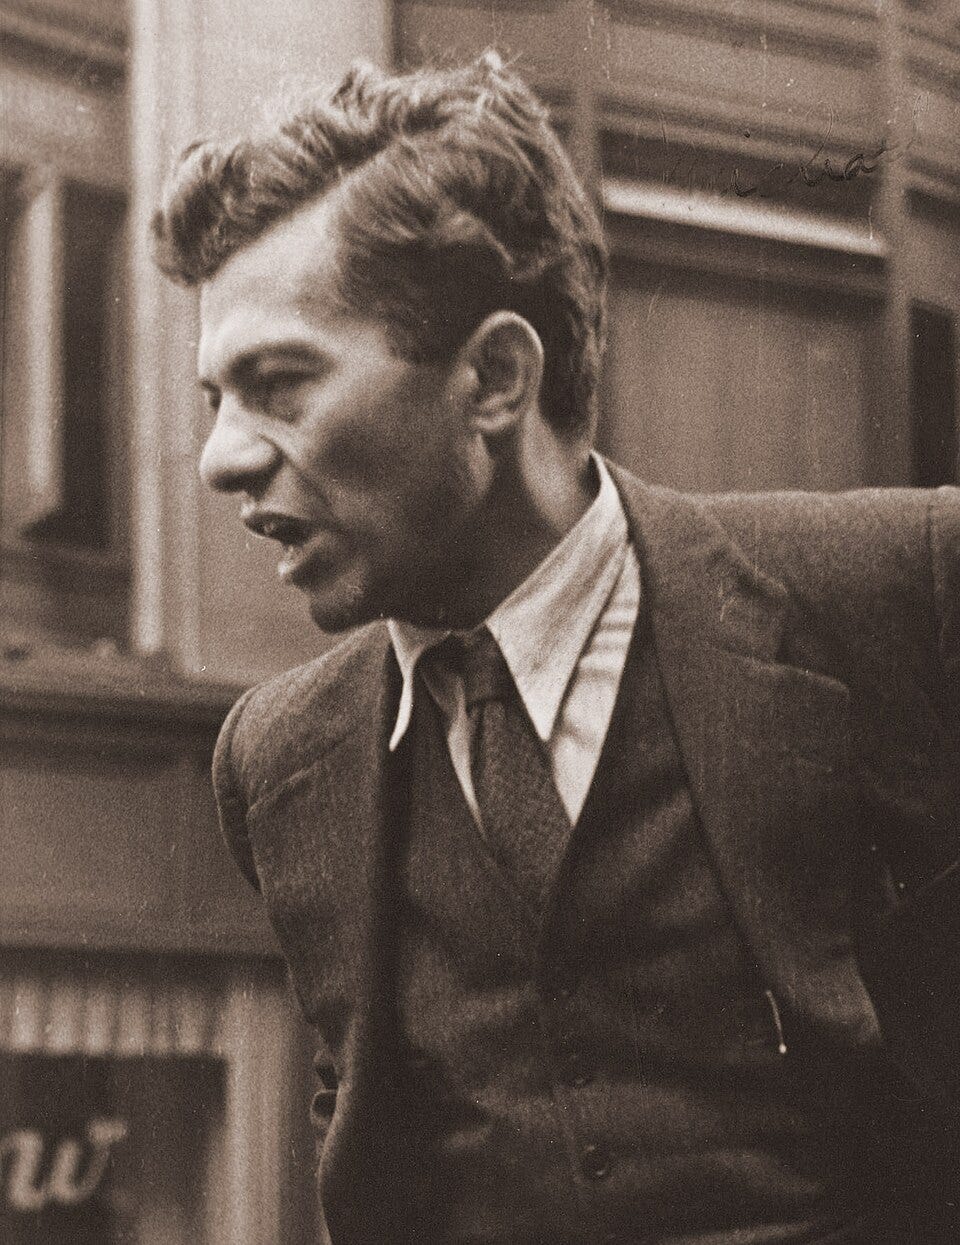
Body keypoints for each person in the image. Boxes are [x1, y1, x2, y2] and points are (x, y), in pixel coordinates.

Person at [152, 53, 960, 1245]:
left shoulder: (901, 589)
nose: (222, 456)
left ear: (495, 377)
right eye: (215, 399)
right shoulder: (276, 764)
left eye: (279, 384)